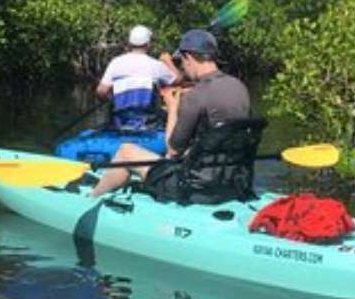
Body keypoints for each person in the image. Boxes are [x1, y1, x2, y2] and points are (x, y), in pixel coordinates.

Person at [90, 28, 251, 198]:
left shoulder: (196, 96)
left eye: (181, 61)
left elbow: (173, 150)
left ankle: (92, 197)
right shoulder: (239, 87)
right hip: (234, 180)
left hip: (193, 185)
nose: (182, 66)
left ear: (188, 57)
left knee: (125, 151)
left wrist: (173, 107)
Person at [96, 25, 178, 131]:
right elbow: (177, 79)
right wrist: (168, 61)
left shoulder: (115, 62)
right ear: (148, 44)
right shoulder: (156, 65)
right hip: (149, 125)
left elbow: (101, 92)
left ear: (130, 43)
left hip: (120, 123)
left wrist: (112, 99)